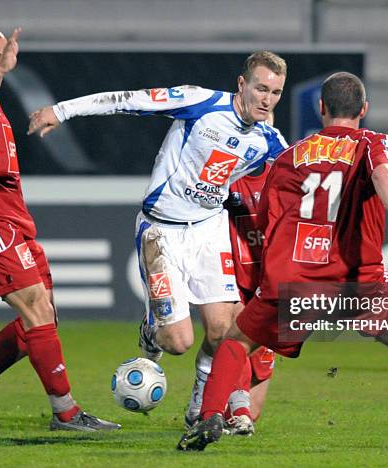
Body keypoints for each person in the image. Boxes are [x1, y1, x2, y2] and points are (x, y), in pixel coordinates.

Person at [177, 72, 388, 451]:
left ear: (321, 108)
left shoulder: (289, 156)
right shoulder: (374, 143)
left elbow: (271, 221)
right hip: (359, 282)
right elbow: (383, 174)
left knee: (235, 342)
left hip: (295, 280)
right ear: (364, 109)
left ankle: (209, 416)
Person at [28, 51, 288, 426]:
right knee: (176, 342)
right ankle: (153, 330)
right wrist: (62, 111)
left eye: (276, 92)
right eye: (261, 88)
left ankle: (199, 406)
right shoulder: (199, 102)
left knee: (224, 329)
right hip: (161, 230)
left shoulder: (269, 140)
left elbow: (304, 171)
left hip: (209, 230)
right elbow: (130, 100)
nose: (267, 99)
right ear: (242, 84)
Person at [0, 26, 119, 432]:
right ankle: (65, 412)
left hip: (13, 216)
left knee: (44, 315)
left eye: (2, 56)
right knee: (35, 308)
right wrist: (3, 70)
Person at [220, 160, 276, 437]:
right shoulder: (227, 176)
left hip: (268, 285)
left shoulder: (283, 174)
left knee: (254, 409)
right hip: (232, 282)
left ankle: (221, 405)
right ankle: (205, 407)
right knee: (231, 337)